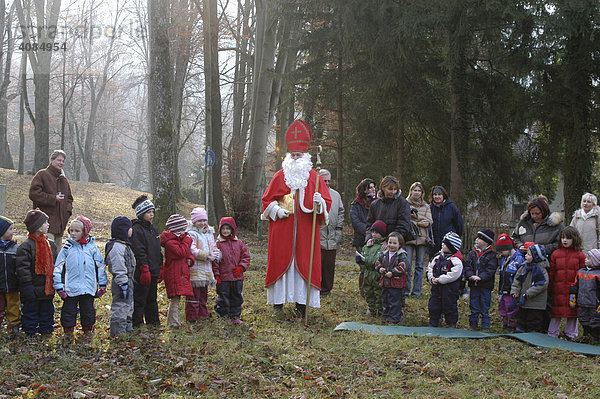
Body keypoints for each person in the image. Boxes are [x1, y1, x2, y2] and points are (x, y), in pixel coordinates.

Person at [261, 120, 332, 319]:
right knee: (280, 266)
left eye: (298, 155)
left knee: (304, 266)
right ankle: (278, 306)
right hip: (282, 231)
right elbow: (267, 200)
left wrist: (321, 203)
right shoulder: (279, 176)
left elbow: (326, 203)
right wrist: (276, 210)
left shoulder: (315, 179)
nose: (295, 157)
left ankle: (302, 306)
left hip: (306, 232)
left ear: (305, 156)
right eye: (292, 155)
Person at [53, 216, 107, 337]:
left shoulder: (92, 248)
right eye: (71, 230)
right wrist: (59, 286)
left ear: (84, 232)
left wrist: (102, 285)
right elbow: (58, 268)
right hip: (70, 288)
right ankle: (68, 330)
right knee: (68, 311)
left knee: (88, 310)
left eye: (77, 231)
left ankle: (88, 329)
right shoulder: (67, 248)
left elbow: (100, 267)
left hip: (88, 287)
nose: (73, 233)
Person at [15, 209, 57, 336]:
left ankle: (46, 329)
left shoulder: (50, 245)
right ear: (38, 227)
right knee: (30, 311)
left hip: (47, 287)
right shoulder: (25, 247)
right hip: (32, 287)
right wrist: (27, 285)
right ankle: (30, 331)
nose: (48, 225)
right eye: (45, 223)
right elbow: (23, 268)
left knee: (47, 310)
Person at [29, 150, 74, 248]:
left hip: (60, 227)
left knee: (56, 257)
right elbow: (34, 194)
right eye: (59, 160)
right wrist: (53, 198)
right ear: (52, 160)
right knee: (45, 254)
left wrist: (67, 212)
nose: (61, 163)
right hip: (44, 225)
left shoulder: (63, 180)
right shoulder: (42, 175)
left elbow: (69, 199)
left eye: (63, 161)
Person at [130, 195, 163, 328]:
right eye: (149, 212)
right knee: (140, 298)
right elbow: (139, 250)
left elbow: (157, 250)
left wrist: (160, 266)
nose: (152, 215)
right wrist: (144, 268)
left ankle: (153, 321)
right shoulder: (137, 230)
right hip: (142, 271)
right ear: (141, 213)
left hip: (154, 270)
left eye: (153, 212)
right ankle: (137, 322)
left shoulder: (153, 229)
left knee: (152, 297)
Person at [548, 226, 586, 340]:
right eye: (563, 238)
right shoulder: (555, 254)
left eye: (568, 238)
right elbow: (552, 272)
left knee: (572, 313)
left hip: (573, 290)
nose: (565, 240)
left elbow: (582, 273)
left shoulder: (580, 255)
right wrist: (550, 287)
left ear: (574, 239)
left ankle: (571, 335)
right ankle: (552, 334)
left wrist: (579, 288)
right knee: (555, 312)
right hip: (558, 290)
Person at [212, 217, 250, 324]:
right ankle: (224, 315)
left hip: (237, 277)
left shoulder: (239, 243)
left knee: (236, 296)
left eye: (228, 229)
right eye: (223, 229)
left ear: (232, 230)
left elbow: (246, 257)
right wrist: (217, 275)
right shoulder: (218, 244)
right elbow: (215, 261)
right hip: (224, 278)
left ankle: (235, 315)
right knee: (223, 297)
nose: (225, 231)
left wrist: (241, 267)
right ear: (220, 230)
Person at [160, 214, 195, 328]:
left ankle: (176, 320)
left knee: (178, 297)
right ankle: (173, 322)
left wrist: (190, 259)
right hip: (174, 274)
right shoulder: (171, 242)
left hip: (181, 273)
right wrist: (188, 240)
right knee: (175, 298)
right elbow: (181, 252)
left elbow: (187, 254)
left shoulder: (179, 240)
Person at [186, 207, 220, 322]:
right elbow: (192, 249)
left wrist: (215, 253)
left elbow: (213, 246)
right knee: (194, 295)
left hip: (206, 269)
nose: (203, 223)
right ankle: (192, 317)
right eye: (199, 221)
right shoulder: (191, 234)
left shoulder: (208, 233)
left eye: (204, 220)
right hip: (195, 269)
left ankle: (202, 315)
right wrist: (206, 255)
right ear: (194, 221)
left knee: (203, 295)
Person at [105, 216, 136, 337]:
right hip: (121, 282)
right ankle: (118, 331)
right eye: (130, 228)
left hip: (129, 281)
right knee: (120, 306)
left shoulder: (126, 245)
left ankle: (127, 327)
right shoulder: (117, 247)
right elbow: (118, 265)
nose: (131, 230)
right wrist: (123, 282)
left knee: (129, 304)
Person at [510, 243, 549, 333]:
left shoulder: (541, 270)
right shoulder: (524, 267)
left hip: (536, 303)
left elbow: (542, 284)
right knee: (522, 316)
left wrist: (529, 293)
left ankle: (533, 333)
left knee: (534, 319)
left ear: (536, 257)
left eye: (529, 255)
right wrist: (515, 291)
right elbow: (517, 280)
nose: (526, 256)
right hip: (523, 300)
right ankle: (521, 330)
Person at [426, 232, 463, 328]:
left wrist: (441, 279)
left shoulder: (456, 260)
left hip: (449, 290)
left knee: (450, 306)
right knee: (434, 306)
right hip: (436, 289)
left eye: (445, 243)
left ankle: (451, 323)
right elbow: (430, 267)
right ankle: (434, 321)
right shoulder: (437, 257)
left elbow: (454, 274)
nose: (442, 244)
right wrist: (431, 278)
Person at [464, 228, 498, 330]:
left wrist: (481, 277)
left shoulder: (492, 255)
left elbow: (490, 270)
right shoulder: (472, 253)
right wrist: (470, 275)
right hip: (473, 285)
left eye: (480, 238)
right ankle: (473, 325)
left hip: (485, 286)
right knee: (473, 305)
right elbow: (467, 266)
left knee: (485, 305)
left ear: (486, 242)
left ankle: (485, 325)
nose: (476, 240)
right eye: (477, 237)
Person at [319, 169, 345, 297]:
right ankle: (315, 287)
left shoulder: (336, 195)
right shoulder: (314, 195)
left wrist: (339, 229)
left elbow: (341, 211)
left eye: (329, 180)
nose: (327, 183)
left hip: (333, 236)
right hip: (319, 236)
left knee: (329, 265)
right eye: (324, 181)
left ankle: (326, 289)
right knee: (318, 264)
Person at [404, 182, 433, 297]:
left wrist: (415, 219)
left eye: (419, 191)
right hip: (409, 237)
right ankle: (405, 291)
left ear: (422, 193)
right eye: (415, 190)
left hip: (422, 238)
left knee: (420, 266)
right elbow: (405, 219)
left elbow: (429, 221)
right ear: (411, 191)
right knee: (407, 265)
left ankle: (416, 292)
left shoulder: (426, 206)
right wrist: (419, 221)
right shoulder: (405, 204)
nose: (416, 192)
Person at [350, 178, 376, 297]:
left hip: (376, 238)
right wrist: (368, 232)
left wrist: (376, 232)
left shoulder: (377, 203)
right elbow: (355, 222)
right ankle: (363, 292)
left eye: (373, 187)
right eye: (370, 187)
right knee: (363, 268)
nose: (373, 189)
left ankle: (373, 291)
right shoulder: (356, 204)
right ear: (364, 189)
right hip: (361, 239)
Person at [365, 176, 411, 244]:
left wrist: (389, 241)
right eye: (390, 189)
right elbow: (369, 225)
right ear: (383, 188)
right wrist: (369, 238)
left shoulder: (402, 203)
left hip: (395, 244)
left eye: (395, 189)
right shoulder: (375, 204)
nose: (393, 192)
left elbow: (403, 225)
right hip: (376, 243)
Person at [376, 232, 408, 323]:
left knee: (395, 301)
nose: (392, 245)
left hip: (396, 283)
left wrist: (393, 273)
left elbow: (403, 267)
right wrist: (380, 269)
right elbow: (377, 262)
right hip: (385, 282)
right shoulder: (384, 254)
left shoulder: (402, 255)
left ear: (400, 244)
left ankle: (395, 318)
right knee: (385, 299)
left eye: (394, 243)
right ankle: (386, 316)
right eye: (390, 242)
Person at [569, 248, 600, 344]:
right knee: (583, 318)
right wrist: (573, 296)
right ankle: (586, 335)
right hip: (582, 301)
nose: (585, 259)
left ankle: (595, 337)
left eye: (588, 258)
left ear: (595, 262)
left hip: (594, 303)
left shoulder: (598, 274)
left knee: (595, 320)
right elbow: (575, 285)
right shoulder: (580, 272)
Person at [357, 221, 387, 316]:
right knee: (368, 291)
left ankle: (379, 310)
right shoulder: (368, 245)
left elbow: (379, 261)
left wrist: (367, 261)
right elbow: (364, 255)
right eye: (372, 232)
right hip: (367, 274)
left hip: (377, 274)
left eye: (376, 232)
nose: (374, 234)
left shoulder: (384, 247)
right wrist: (360, 259)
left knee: (378, 292)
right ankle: (371, 309)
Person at [495, 233, 524, 330]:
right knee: (502, 307)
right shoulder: (503, 259)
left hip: (512, 290)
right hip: (503, 289)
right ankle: (505, 322)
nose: (501, 253)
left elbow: (520, 277)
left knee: (511, 308)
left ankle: (512, 324)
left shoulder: (518, 259)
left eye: (502, 250)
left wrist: (517, 290)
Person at [428, 185, 463, 258]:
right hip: (433, 243)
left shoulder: (451, 207)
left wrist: (455, 236)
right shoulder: (429, 208)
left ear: (443, 195)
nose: (437, 197)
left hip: (448, 243)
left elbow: (459, 223)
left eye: (439, 194)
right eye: (435, 194)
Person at [0, 216, 20, 333]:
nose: (13, 232)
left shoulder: (16, 248)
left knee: (13, 305)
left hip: (12, 284)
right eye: (10, 229)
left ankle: (14, 325)